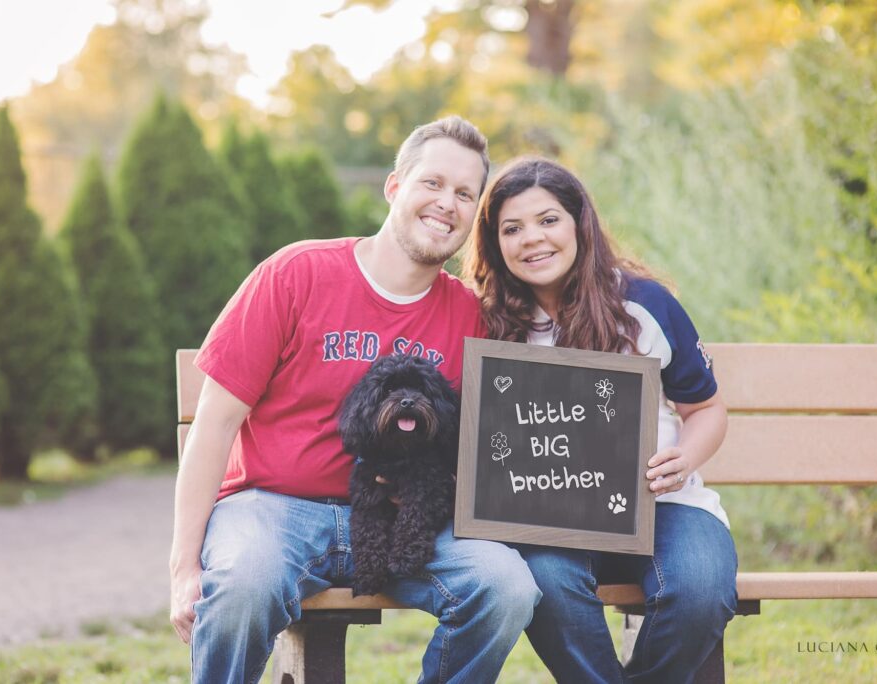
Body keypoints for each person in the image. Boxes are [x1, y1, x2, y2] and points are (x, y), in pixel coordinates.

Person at [168, 116, 541, 684]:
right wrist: (183, 567)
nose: (447, 203)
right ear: (395, 187)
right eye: (433, 183)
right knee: (243, 583)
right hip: (273, 510)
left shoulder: (471, 316)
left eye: (465, 194)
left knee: (507, 587)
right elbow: (215, 424)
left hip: (407, 518)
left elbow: (486, 445)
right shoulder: (297, 274)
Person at [463, 157, 737, 683]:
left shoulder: (642, 304)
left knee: (701, 587)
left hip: (664, 505)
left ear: (578, 223)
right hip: (551, 518)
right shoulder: (489, 322)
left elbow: (706, 409)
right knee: (543, 580)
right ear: (494, 243)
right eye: (511, 228)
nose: (532, 240)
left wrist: (685, 457)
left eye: (548, 220)